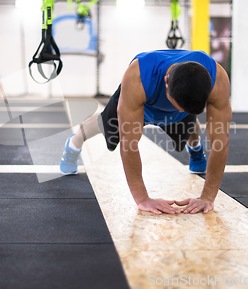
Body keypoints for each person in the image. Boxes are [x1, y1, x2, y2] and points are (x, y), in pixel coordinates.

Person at [60, 50, 232, 215]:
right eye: (177, 106)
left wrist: (208, 197)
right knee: (103, 124)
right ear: (166, 81)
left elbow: (220, 140)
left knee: (189, 122)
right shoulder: (138, 76)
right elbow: (129, 143)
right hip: (141, 103)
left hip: (181, 105)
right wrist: (142, 198)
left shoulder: (218, 79)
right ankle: (74, 144)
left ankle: (195, 150)